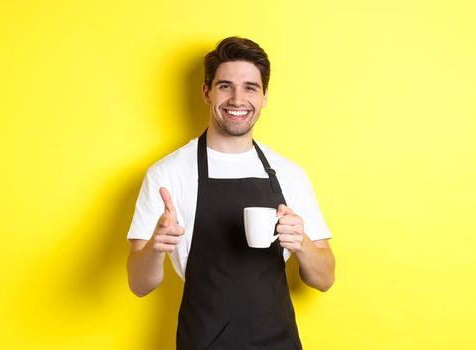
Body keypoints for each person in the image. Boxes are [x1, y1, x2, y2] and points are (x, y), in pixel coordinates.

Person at [125, 36, 336, 349]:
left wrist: (302, 244)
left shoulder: (290, 174)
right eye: (225, 86)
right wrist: (155, 249)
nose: (238, 99)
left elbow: (324, 278)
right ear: (206, 92)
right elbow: (138, 285)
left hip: (278, 343)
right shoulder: (167, 174)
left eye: (250, 87)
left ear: (264, 96)